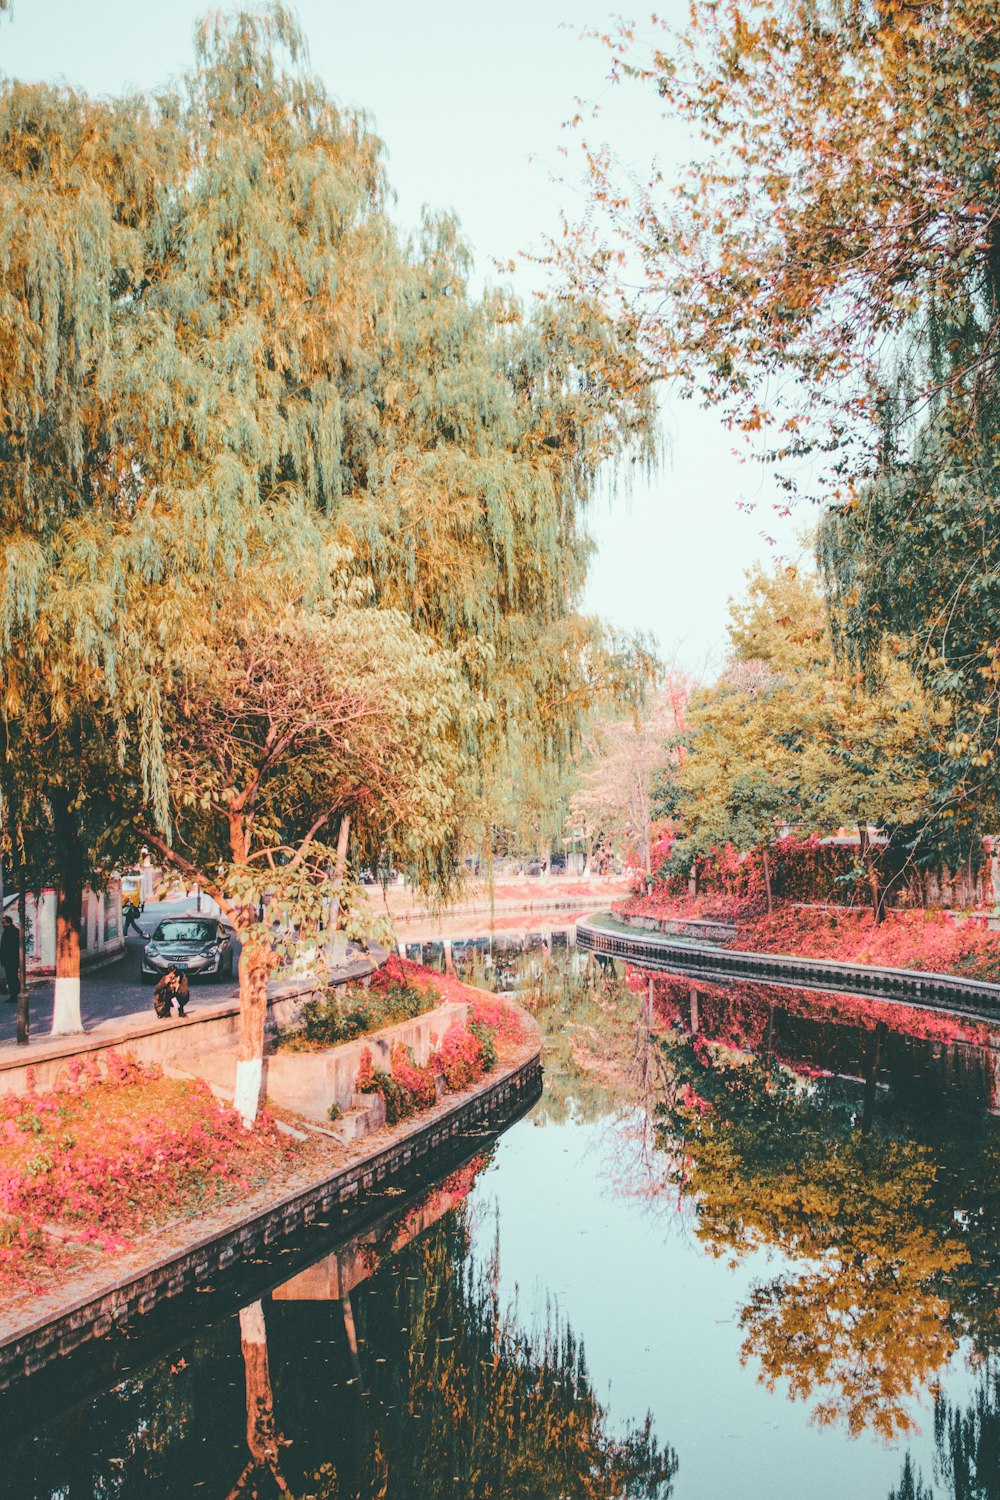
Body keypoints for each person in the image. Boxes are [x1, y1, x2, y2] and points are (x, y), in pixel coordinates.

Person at [0, 915, 19, 1003]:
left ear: (8, 922)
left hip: (10, 960)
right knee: (13, 978)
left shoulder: (9, 931)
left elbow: (7, 947)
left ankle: (14, 996)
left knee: (12, 978)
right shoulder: (14, 931)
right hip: (12, 960)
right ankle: (15, 995)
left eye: (3, 922)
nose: (2, 924)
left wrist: (4, 959)